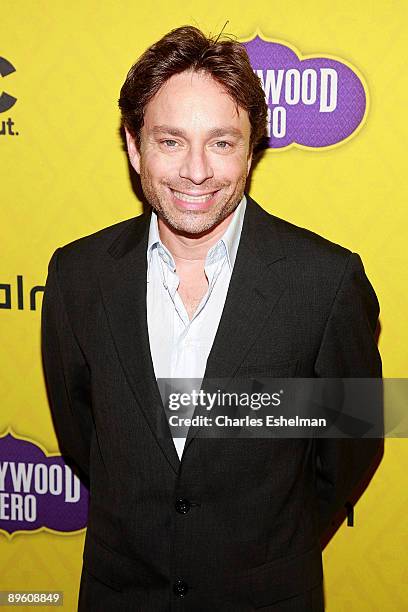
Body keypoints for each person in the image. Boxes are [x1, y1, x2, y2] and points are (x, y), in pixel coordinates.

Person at [41, 25, 382, 611]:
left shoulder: (326, 282)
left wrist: (271, 548)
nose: (196, 171)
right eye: (171, 141)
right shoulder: (78, 275)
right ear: (133, 145)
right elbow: (84, 436)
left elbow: (353, 446)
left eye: (221, 142)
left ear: (252, 149)